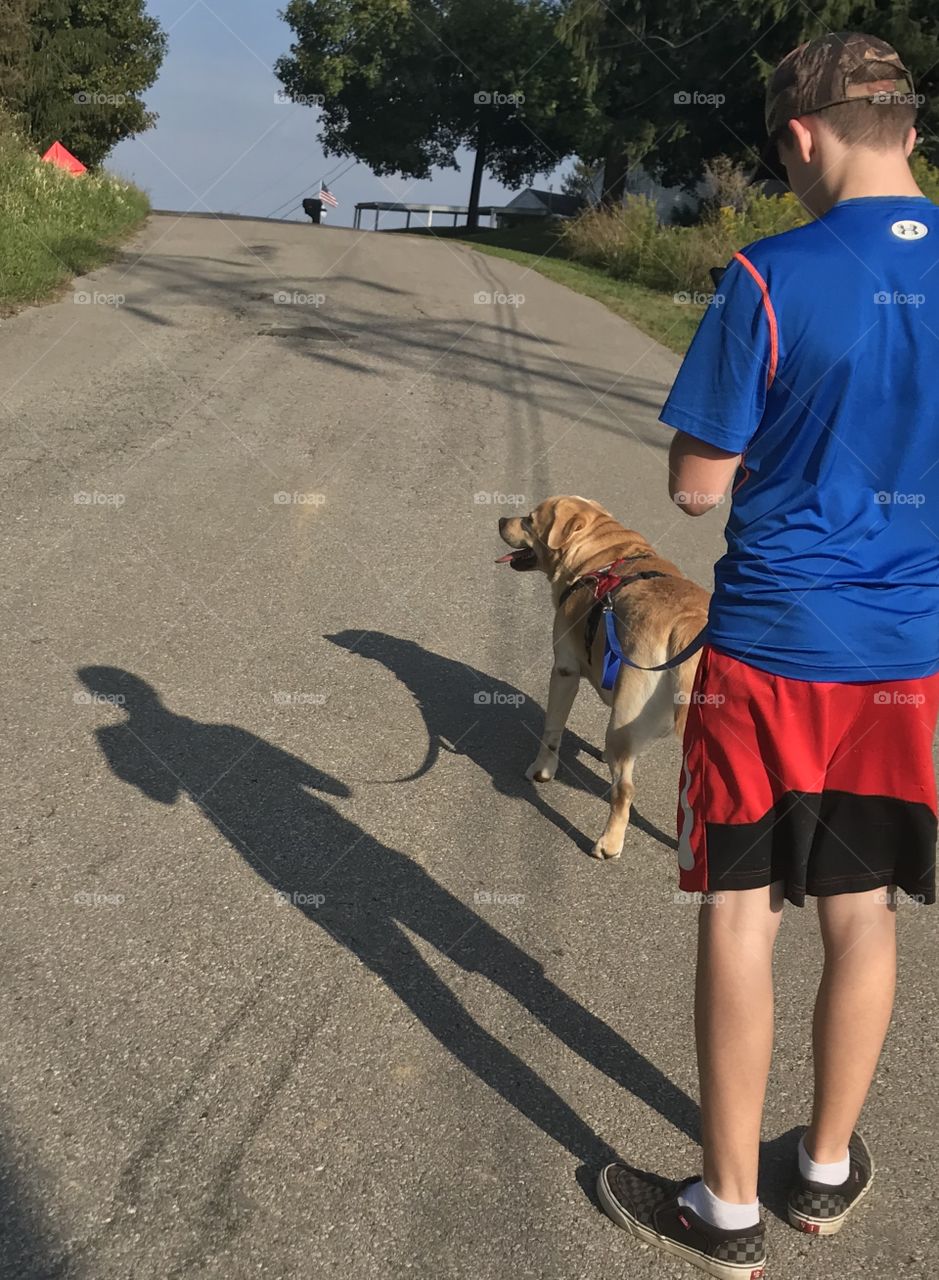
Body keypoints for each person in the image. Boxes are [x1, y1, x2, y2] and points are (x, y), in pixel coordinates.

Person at [595, 32, 939, 1279]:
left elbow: (696, 489)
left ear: (801, 140)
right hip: (908, 660)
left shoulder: (770, 274)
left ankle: (726, 1205)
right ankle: (828, 1171)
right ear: (907, 124)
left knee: (742, 912)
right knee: (865, 908)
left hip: (774, 655)